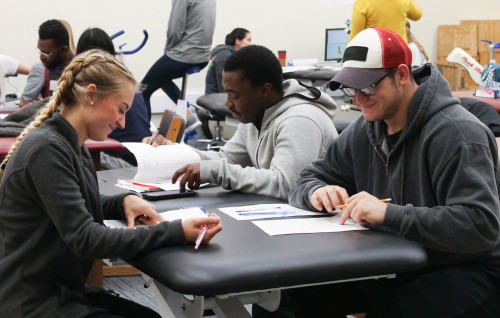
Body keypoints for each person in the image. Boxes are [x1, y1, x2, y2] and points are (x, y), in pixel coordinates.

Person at [285, 27, 500, 317]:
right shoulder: (364, 129)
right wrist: (315, 191)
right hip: (392, 264)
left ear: (401, 74)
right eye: (351, 89)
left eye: (368, 87)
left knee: (393, 311)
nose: (358, 99)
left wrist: (390, 214)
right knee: (292, 293)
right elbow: (306, 179)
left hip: (467, 267)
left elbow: (481, 225)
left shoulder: (457, 133)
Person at [0, 49, 222, 318]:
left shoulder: (70, 141)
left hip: (58, 290)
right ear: (90, 95)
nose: (122, 121)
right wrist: (178, 232)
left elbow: (75, 205)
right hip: (31, 303)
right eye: (121, 109)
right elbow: (86, 239)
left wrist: (123, 201)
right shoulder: (47, 148)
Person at [146, 45, 338, 202]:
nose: (228, 103)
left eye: (234, 95)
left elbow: (287, 185)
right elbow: (226, 160)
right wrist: (170, 150)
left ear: (264, 91)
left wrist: (215, 170)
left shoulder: (301, 120)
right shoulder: (255, 116)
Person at [76, 27, 152, 168]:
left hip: (124, 159)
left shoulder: (98, 86)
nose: (121, 122)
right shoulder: (126, 79)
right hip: (142, 157)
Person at [141, 0, 216, 112]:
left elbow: (175, 29)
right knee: (161, 78)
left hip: (185, 55)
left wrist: (167, 51)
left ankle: (143, 130)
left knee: (142, 91)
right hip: (203, 57)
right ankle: (190, 115)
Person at [20, 19, 75, 107]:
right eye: (40, 51)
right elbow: (23, 104)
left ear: (63, 50)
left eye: (47, 53)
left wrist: (38, 105)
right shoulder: (40, 68)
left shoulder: (83, 69)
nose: (42, 57)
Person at [349, 0, 422, 43]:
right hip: (400, 54)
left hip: (376, 57)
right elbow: (417, 15)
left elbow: (355, 38)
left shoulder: (363, 2)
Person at [205, 28, 252, 94]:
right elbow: (224, 84)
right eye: (248, 40)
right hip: (217, 99)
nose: (251, 44)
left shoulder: (225, 53)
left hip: (215, 98)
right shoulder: (225, 56)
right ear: (238, 41)